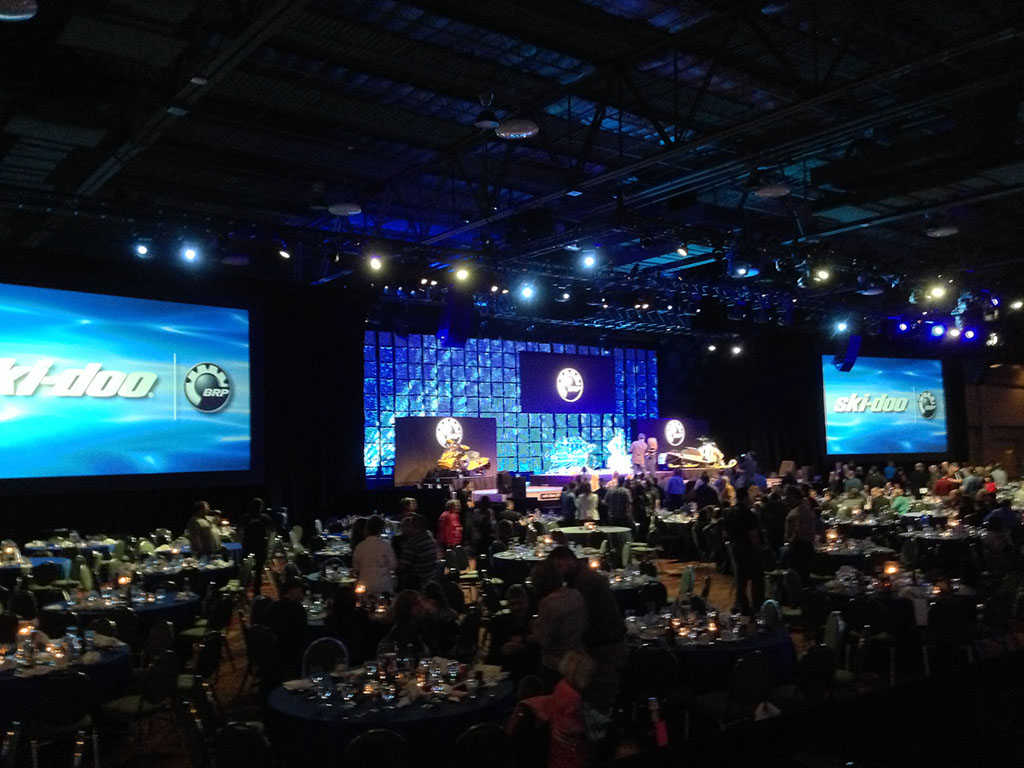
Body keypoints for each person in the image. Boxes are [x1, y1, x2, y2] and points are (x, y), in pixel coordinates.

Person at [548, 546, 627, 714]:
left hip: (606, 647)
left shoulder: (585, 583)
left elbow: (578, 619)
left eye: (559, 566)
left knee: (600, 701)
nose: (558, 573)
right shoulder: (582, 578)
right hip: (605, 643)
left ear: (570, 560)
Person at [518, 650, 595, 768]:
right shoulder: (574, 697)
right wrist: (585, 728)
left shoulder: (561, 684)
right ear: (581, 675)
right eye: (590, 675)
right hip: (570, 750)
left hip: (555, 744)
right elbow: (569, 725)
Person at [530, 561, 586, 686]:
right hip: (577, 661)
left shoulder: (547, 603)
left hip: (556, 665)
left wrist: (533, 629)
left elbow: (545, 641)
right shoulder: (575, 594)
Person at [485, 584, 539, 681]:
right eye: (512, 604)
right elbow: (494, 653)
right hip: (505, 674)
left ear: (528, 603)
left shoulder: (534, 623)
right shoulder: (499, 623)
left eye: (520, 603)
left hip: (531, 674)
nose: (516, 607)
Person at [724, 488, 764, 617]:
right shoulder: (749, 514)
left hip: (734, 547)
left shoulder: (729, 512)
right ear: (746, 497)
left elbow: (725, 533)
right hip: (748, 548)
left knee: (740, 579)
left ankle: (741, 605)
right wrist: (759, 549)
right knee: (757, 577)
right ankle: (757, 606)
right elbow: (753, 535)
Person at [262, 577, 308, 679]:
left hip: (269, 653)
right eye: (301, 592)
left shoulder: (271, 607)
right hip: (291, 654)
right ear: (292, 591)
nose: (303, 595)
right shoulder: (297, 610)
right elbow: (303, 635)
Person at [380, 589, 432, 660]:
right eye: (418, 603)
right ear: (408, 608)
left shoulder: (420, 626)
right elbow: (409, 656)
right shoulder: (401, 631)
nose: (422, 605)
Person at [352, 514, 397, 595]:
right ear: (381, 529)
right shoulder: (385, 545)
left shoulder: (360, 546)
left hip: (365, 581)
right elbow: (392, 565)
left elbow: (356, 567)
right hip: (383, 582)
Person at [396, 514, 440, 590]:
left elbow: (404, 566)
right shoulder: (431, 539)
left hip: (417, 582)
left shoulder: (414, 542)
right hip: (431, 578)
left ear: (413, 526)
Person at [241, 497, 273, 595]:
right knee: (258, 570)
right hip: (259, 546)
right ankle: (256, 591)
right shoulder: (264, 517)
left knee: (246, 569)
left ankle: (246, 588)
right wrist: (268, 543)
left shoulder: (246, 517)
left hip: (249, 546)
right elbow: (271, 531)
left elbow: (240, 531)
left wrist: (241, 542)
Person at [784, 495, 817, 583]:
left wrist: (791, 540)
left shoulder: (796, 513)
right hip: (805, 545)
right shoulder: (808, 513)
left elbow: (796, 531)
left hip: (798, 546)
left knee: (797, 574)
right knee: (804, 573)